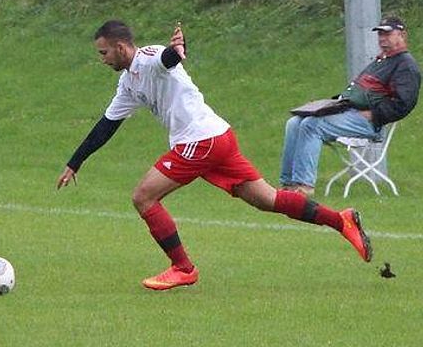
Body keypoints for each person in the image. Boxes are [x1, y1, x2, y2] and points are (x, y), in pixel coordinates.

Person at [56, 20, 373, 291]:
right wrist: (75, 162)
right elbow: (107, 125)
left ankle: (183, 268)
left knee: (143, 197)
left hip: (200, 139)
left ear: (121, 48)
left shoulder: (149, 57)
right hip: (217, 137)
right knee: (269, 200)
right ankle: (341, 221)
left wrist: (177, 50)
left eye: (104, 52)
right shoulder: (128, 83)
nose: (102, 59)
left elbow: (167, 59)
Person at [280, 17, 421, 195]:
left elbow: (404, 105)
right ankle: (288, 185)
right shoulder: (381, 61)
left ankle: (304, 186)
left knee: (311, 125)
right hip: (348, 110)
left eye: (387, 34)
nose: (382, 38)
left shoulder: (405, 65)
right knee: (294, 122)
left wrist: (373, 115)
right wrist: (331, 104)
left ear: (402, 35)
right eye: (380, 34)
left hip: (370, 122)